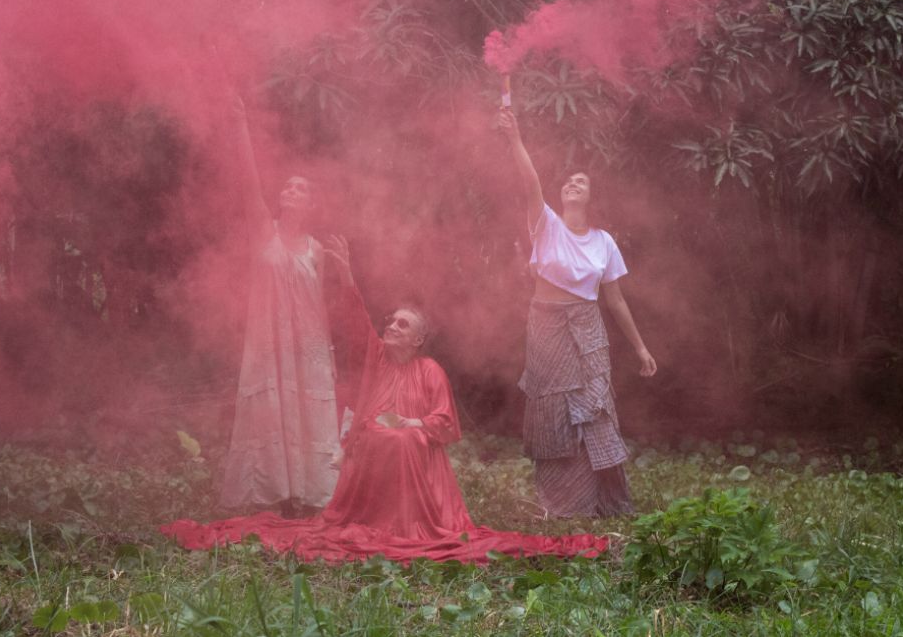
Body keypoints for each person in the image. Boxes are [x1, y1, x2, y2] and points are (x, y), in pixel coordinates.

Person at [162, 237, 608, 563]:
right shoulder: (378, 359)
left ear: (417, 341)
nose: (390, 328)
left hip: (418, 465)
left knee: (402, 440)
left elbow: (446, 425)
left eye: (401, 326)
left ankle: (407, 524)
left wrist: (414, 425)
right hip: (375, 458)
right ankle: (374, 518)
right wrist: (348, 275)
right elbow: (357, 320)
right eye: (390, 322)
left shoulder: (429, 370)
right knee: (376, 435)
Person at [496, 105, 657, 518]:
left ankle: (607, 502)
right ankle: (564, 506)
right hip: (546, 325)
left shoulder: (604, 241)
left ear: (591, 196)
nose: (572, 184)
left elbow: (616, 300)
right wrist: (515, 139)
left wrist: (640, 349)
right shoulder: (545, 223)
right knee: (555, 415)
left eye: (581, 182)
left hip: (588, 330)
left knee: (596, 410)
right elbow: (530, 182)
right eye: (568, 181)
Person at [217, 97, 340, 516]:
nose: (289, 191)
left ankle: (306, 494)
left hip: (307, 344)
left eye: (300, 188)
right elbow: (248, 183)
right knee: (270, 410)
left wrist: (328, 352)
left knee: (306, 411)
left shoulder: (316, 250)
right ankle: (269, 493)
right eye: (287, 185)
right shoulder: (263, 232)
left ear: (311, 204)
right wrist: (241, 128)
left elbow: (319, 304)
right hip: (268, 338)